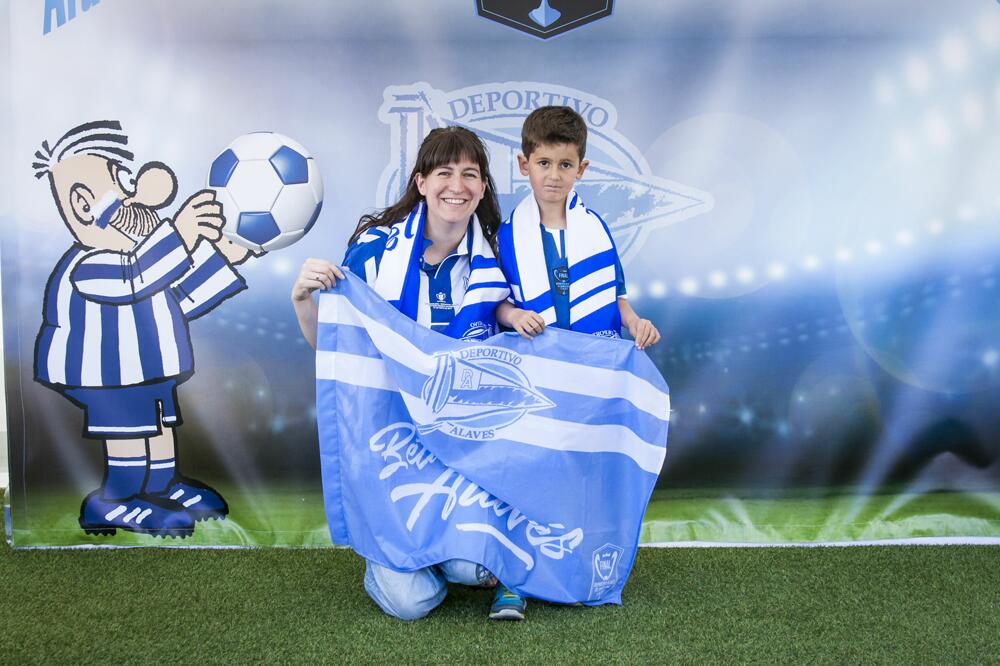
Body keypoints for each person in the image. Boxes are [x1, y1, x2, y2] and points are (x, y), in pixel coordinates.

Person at [291, 126, 525, 621]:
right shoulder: (376, 252)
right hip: (391, 446)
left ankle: (442, 548)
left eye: (469, 174)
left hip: (459, 448)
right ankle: (399, 550)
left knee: (470, 570)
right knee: (411, 603)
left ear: (483, 188)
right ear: (421, 182)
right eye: (444, 173)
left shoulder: (499, 263)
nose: (456, 186)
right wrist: (302, 301)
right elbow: (339, 358)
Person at [31, 120, 256, 538]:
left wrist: (223, 258)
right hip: (107, 376)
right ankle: (114, 501)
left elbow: (178, 299)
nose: (140, 198)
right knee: (130, 429)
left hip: (146, 370)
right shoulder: (90, 264)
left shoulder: (139, 262)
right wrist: (182, 233)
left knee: (159, 424)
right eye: (122, 183)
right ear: (84, 205)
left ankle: (162, 485)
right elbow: (135, 277)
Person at [496, 105, 662, 350]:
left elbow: (614, 297)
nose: (554, 175)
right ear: (524, 164)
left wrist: (635, 322)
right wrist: (514, 316)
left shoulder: (596, 231)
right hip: (535, 363)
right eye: (543, 163)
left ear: (580, 169)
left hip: (594, 363)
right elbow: (495, 301)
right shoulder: (506, 237)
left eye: (565, 165)